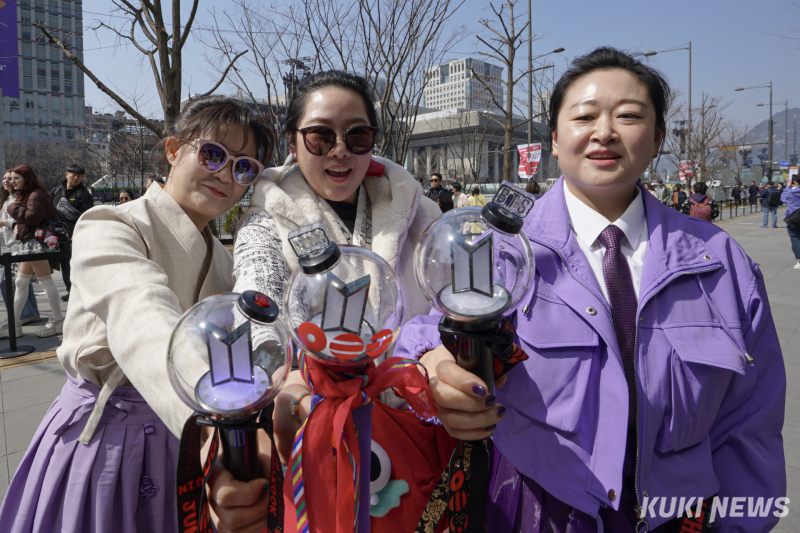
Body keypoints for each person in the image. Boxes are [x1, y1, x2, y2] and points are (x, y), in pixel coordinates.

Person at [395, 47, 785, 532]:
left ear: (657, 139)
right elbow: (422, 338)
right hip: (537, 510)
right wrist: (434, 364)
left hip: (678, 517)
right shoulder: (501, 252)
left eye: (629, 116)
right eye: (584, 117)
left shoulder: (720, 262)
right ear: (555, 140)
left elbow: (751, 425)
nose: (605, 132)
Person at [0, 96, 278, 533]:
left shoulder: (227, 262)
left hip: (196, 439)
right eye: (213, 154)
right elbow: (143, 317)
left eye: (244, 168)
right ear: (173, 150)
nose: (226, 174)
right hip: (113, 438)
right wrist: (212, 424)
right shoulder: (109, 224)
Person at [232, 70, 449, 532]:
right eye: (320, 136)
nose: (339, 150)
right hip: (314, 428)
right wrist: (283, 380)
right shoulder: (265, 223)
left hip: (417, 423)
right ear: (293, 142)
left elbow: (446, 302)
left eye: (357, 135)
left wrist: (437, 358)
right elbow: (257, 310)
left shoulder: (420, 213)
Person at [0, 165, 64, 338]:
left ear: (26, 179)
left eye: (16, 178)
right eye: (11, 178)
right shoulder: (28, 195)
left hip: (36, 243)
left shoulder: (35, 195)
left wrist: (12, 207)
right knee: (21, 282)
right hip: (30, 243)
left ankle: (58, 319)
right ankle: (14, 322)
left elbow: (32, 217)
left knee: (45, 282)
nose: (12, 182)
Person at [0, 171, 40, 332]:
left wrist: (4, 222)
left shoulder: (21, 198)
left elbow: (22, 220)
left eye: (11, 179)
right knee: (22, 281)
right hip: (12, 244)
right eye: (4, 178)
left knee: (7, 282)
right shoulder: (7, 199)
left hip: (20, 244)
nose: (6, 181)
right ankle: (30, 312)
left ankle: (22, 315)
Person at [51, 163, 94, 302]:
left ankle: (80, 292)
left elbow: (87, 216)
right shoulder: (56, 191)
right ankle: (70, 290)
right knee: (64, 264)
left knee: (76, 265)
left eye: (79, 176)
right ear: (66, 174)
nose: (76, 178)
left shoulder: (84, 194)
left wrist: (77, 232)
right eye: (73, 175)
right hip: (58, 236)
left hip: (76, 236)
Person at [782, 176, 800, 269]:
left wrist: (788, 186)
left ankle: (799, 261)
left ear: (796, 181)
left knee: (796, 239)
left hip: (794, 219)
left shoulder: (791, 192)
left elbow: (783, 198)